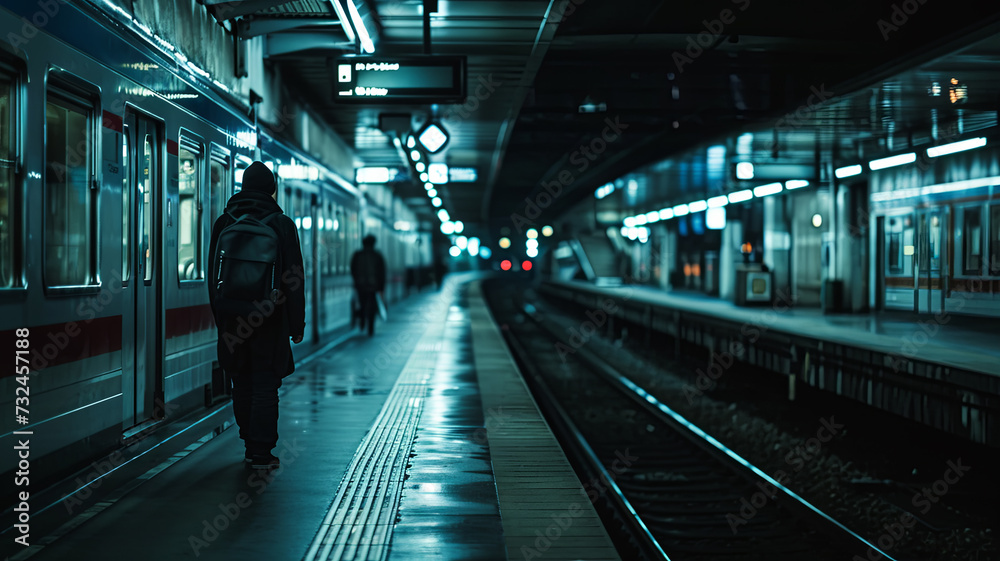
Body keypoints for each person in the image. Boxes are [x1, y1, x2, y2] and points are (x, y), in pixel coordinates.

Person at [208, 161, 305, 471]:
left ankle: (248, 439)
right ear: (271, 189)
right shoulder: (281, 224)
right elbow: (293, 278)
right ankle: (260, 451)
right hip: (270, 317)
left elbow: (213, 276)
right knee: (265, 383)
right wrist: (296, 323)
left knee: (240, 380)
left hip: (232, 317)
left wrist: (220, 317)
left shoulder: (224, 222)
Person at [350, 234, 386, 336]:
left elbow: (353, 269)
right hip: (373, 286)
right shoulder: (377, 256)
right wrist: (381, 288)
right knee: (372, 307)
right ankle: (370, 327)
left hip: (360, 286)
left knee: (362, 303)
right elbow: (382, 272)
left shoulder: (357, 255)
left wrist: (356, 282)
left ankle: (362, 319)